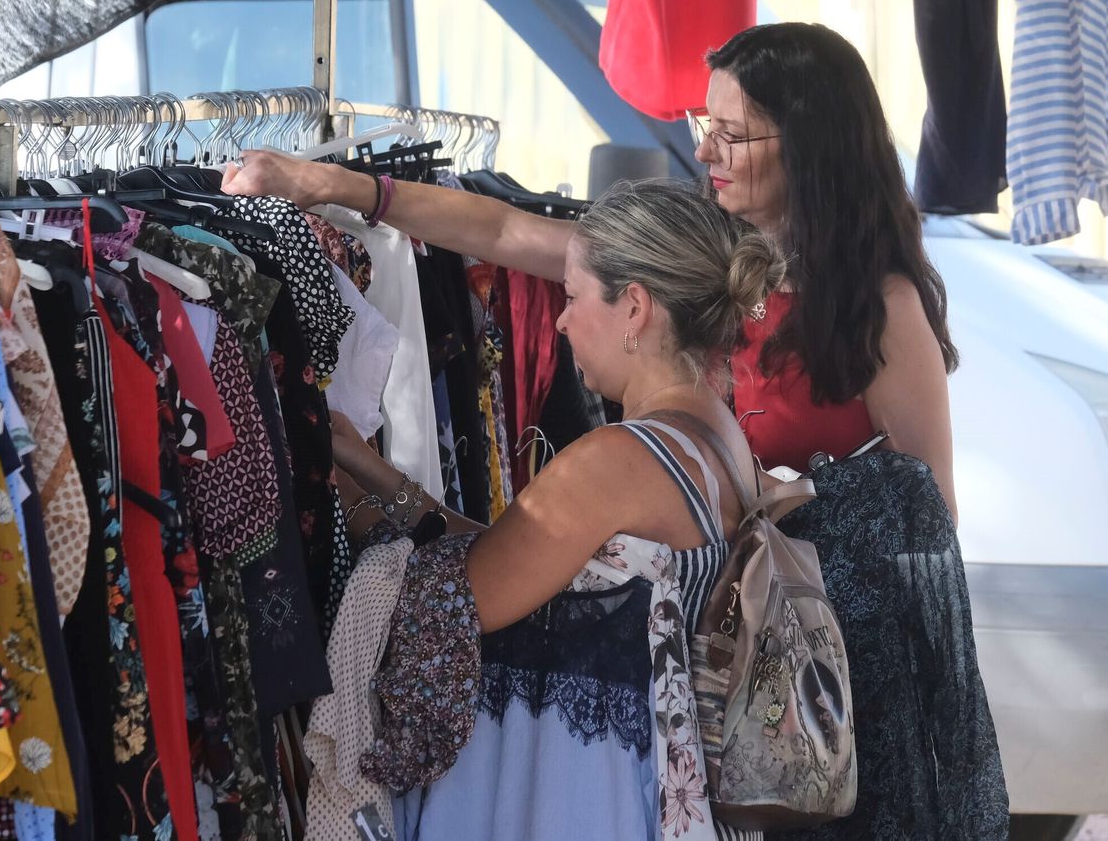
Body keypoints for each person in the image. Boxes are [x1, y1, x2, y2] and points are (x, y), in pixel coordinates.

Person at [222, 22, 1007, 838]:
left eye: (733, 133)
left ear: (809, 142)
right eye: (705, 127)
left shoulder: (877, 309)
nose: (707, 151)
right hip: (699, 695)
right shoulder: (696, 269)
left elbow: (924, 516)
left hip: (814, 672)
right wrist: (338, 189)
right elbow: (499, 233)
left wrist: (793, 510)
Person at [312, 178, 779, 841]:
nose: (559, 321)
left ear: (636, 308)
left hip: (582, 796)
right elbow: (529, 559)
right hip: (655, 789)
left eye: (571, 296)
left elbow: (461, 593)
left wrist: (354, 509)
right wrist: (379, 475)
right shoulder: (719, 437)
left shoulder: (618, 459)